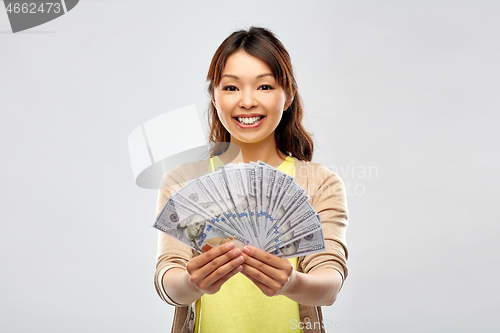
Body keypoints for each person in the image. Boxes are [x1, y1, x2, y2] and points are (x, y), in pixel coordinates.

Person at [154, 26, 349, 333]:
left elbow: (330, 284)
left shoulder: (320, 182)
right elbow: (168, 279)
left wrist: (292, 282)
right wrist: (193, 283)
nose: (246, 101)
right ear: (214, 98)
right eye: (231, 88)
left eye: (264, 87)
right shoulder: (183, 181)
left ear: (288, 97)